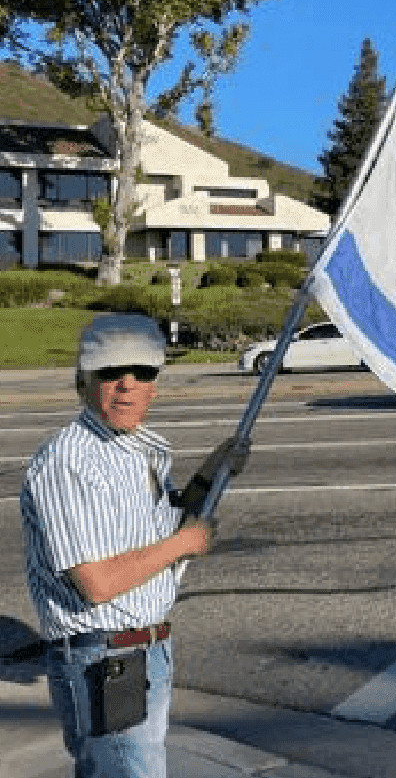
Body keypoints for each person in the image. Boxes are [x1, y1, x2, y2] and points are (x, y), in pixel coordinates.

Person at [20, 314, 247, 777]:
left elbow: (157, 526)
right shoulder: (70, 464)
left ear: (155, 383)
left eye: (142, 373)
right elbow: (97, 583)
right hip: (104, 662)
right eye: (110, 373)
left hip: (145, 653)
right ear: (83, 382)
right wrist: (184, 543)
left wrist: (212, 472)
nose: (127, 386)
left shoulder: (136, 448)